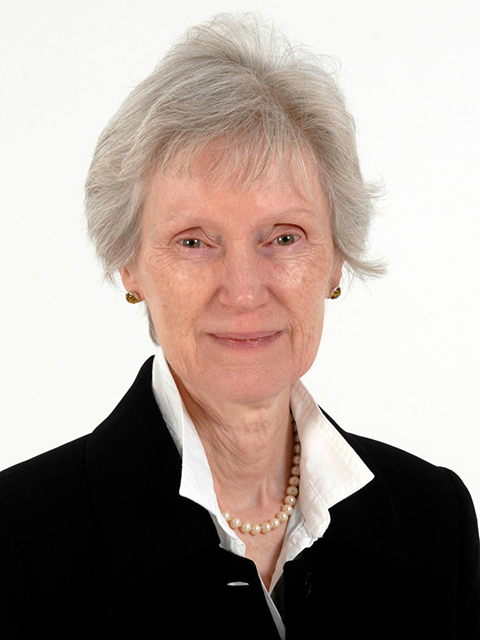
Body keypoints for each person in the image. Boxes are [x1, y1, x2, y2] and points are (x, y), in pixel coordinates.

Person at [0, 13, 478, 639]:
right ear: (128, 264)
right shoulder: (15, 538)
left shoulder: (435, 521)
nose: (245, 290)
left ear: (336, 258)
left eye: (284, 236)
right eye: (195, 241)